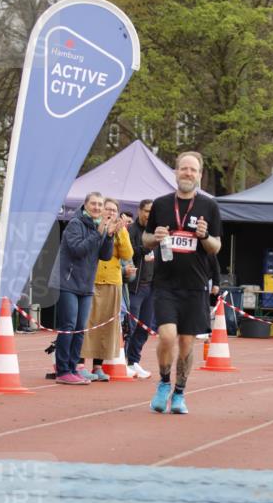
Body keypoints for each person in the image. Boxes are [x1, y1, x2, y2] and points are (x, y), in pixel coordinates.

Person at [143, 151, 222, 415]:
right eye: (184, 169)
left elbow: (215, 247)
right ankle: (164, 382)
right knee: (166, 336)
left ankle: (179, 393)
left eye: (193, 170)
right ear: (176, 172)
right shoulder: (161, 204)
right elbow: (144, 240)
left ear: (199, 175)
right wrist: (155, 237)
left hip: (195, 285)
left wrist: (204, 235)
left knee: (187, 342)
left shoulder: (209, 207)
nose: (188, 173)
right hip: (165, 284)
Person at [48, 191, 116, 385]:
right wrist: (99, 232)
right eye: (93, 204)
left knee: (80, 328)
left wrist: (109, 235)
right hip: (68, 282)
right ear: (85, 206)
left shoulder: (98, 227)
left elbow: (105, 255)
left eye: (100, 205)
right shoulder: (75, 224)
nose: (97, 208)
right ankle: (62, 370)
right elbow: (78, 250)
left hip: (86, 284)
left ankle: (73, 367)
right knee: (68, 326)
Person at [81, 197, 133, 380]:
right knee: (87, 323)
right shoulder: (95, 227)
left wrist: (119, 234)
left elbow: (127, 254)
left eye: (114, 210)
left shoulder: (122, 231)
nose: (110, 212)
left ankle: (98, 366)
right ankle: (80, 364)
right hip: (93, 280)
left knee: (106, 326)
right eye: (107, 208)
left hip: (112, 281)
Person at [124, 199, 155, 379]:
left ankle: (134, 360)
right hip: (134, 286)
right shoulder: (131, 231)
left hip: (151, 287)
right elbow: (129, 253)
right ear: (139, 211)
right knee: (131, 325)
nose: (149, 215)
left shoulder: (154, 232)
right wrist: (145, 248)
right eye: (146, 211)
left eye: (152, 212)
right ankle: (124, 360)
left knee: (145, 326)